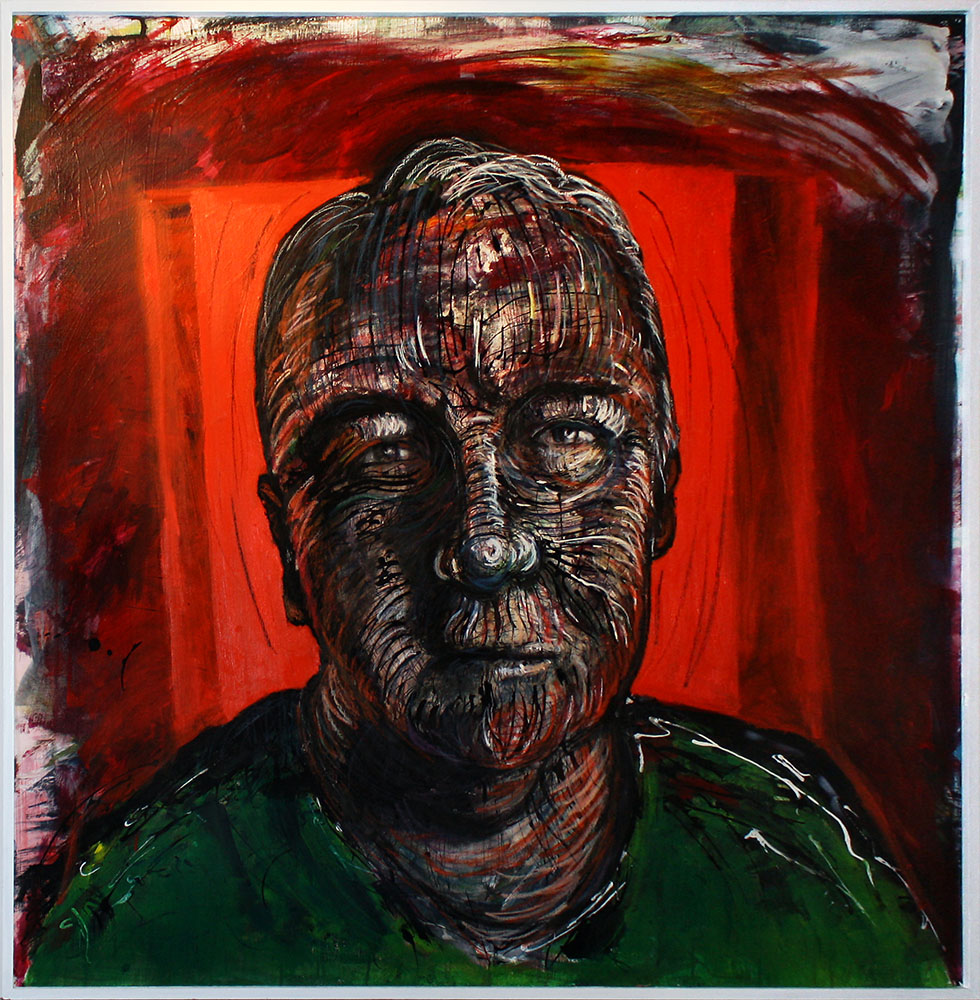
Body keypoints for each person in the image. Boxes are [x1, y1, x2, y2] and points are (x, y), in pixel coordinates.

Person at [23, 139, 949, 987]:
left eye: (569, 435)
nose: (486, 540)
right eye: (384, 455)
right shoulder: (137, 916)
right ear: (289, 544)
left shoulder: (804, 864)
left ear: (659, 495)